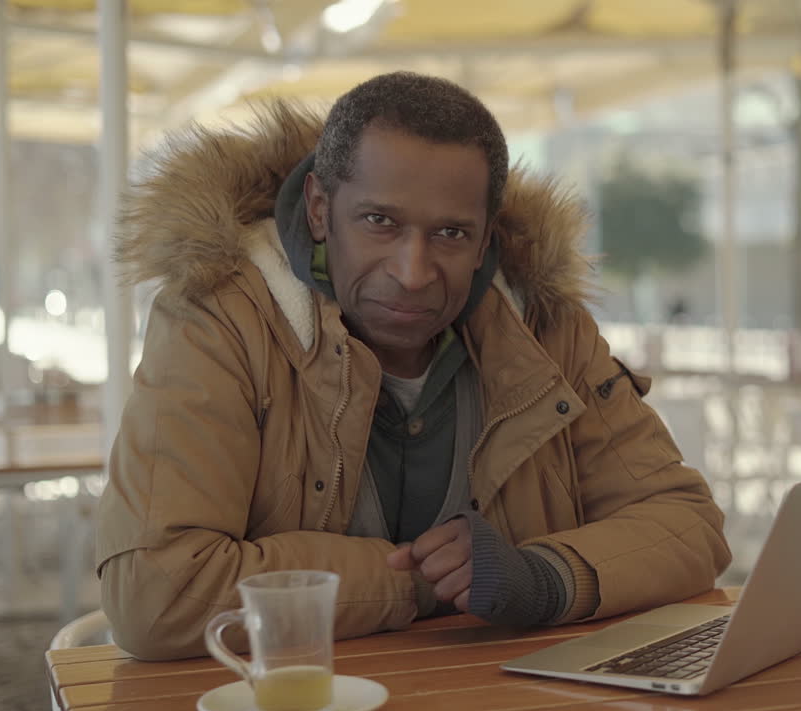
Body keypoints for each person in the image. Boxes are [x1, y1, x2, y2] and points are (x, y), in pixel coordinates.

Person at [96, 72, 731, 661]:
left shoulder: (546, 327)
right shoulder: (220, 320)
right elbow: (156, 593)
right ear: (320, 209)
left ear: (486, 239)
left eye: (451, 235)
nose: (413, 271)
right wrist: (423, 584)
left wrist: (540, 578)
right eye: (380, 222)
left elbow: (689, 527)